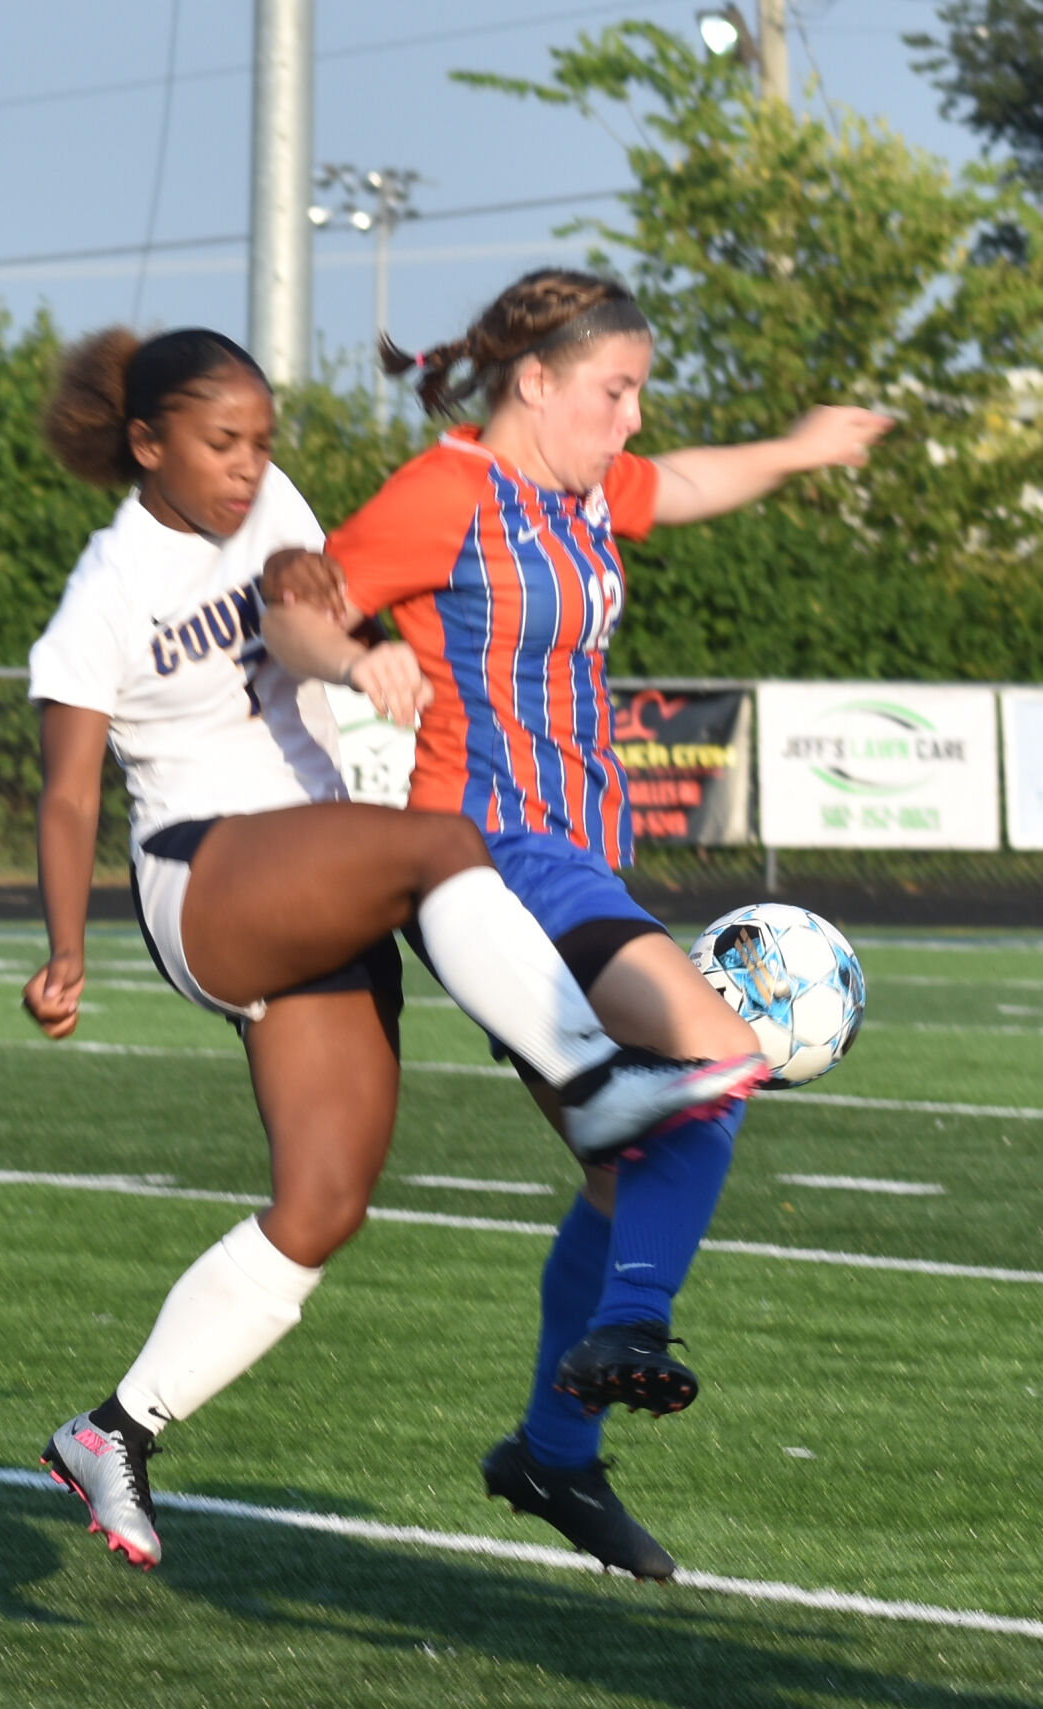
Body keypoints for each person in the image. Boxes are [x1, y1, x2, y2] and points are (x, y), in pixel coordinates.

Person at [25, 323, 764, 1573]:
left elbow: (314, 605)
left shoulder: (272, 512)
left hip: (317, 880)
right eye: (219, 444)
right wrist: (63, 953)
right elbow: (68, 796)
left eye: (261, 440)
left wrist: (350, 642)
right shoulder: (105, 592)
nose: (250, 467)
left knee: (321, 1207)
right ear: (146, 444)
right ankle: (593, 1083)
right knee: (436, 839)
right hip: (205, 873)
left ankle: (113, 1430)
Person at [260, 269, 893, 1582]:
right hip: (487, 859)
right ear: (533, 382)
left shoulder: (587, 487)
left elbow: (693, 482)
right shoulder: (443, 493)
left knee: (631, 1165)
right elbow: (298, 605)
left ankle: (552, 1449)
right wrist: (352, 657)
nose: (632, 415)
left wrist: (800, 446)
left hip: (572, 860)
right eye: (614, 389)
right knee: (713, 1054)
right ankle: (631, 1332)